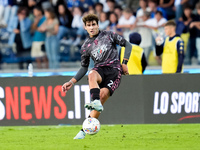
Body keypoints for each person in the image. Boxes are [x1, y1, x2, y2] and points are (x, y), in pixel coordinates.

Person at [62, 13, 132, 139]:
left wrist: (125, 62)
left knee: (103, 95)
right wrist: (71, 82)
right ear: (85, 27)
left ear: (98, 25)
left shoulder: (109, 35)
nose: (91, 27)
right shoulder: (85, 47)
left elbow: (128, 45)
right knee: (91, 73)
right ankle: (95, 102)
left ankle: (83, 131)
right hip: (100, 69)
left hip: (114, 71)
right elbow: (84, 67)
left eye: (93, 24)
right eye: (89, 25)